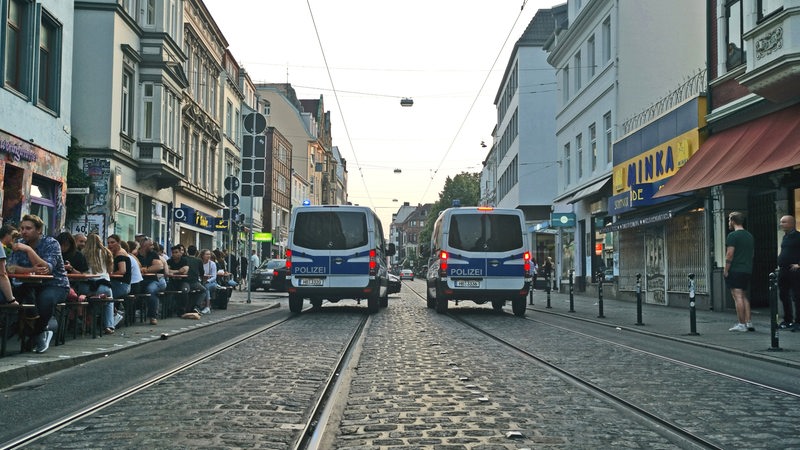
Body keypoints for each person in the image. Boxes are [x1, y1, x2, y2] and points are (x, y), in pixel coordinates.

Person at [7, 214, 70, 353]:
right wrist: (30, 269)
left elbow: (46, 269)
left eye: (28, 228)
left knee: (45, 300)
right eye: (22, 228)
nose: (24, 231)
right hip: (28, 284)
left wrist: (28, 250)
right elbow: (10, 267)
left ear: (39, 230)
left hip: (55, 284)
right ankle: (16, 333)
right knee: (10, 299)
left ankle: (39, 332)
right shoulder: (19, 243)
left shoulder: (51, 243)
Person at [724, 212, 755, 332]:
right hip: (747, 269)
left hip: (736, 269)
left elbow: (730, 254)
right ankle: (749, 322)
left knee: (737, 297)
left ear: (732, 221)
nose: (728, 223)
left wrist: (726, 269)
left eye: (729, 221)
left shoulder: (732, 236)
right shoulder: (749, 235)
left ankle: (741, 324)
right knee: (743, 296)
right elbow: (752, 254)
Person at [82, 234, 115, 333]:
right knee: (109, 301)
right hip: (103, 286)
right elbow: (110, 270)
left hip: (86, 287)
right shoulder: (106, 252)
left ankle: (86, 324)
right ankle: (109, 326)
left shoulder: (83, 252)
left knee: (86, 301)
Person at [778, 215, 800, 331]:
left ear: (792, 223)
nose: (781, 224)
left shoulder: (798, 236)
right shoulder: (785, 237)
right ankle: (787, 320)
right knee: (783, 295)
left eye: (784, 222)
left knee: (797, 296)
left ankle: (798, 322)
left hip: (795, 271)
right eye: (781, 222)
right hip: (783, 270)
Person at [138, 238, 166, 325]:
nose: (153, 247)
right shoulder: (136, 254)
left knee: (151, 290)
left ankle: (153, 316)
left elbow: (159, 266)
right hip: (139, 281)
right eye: (150, 245)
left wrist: (145, 269)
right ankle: (130, 315)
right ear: (144, 245)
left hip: (151, 280)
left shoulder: (153, 254)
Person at [199, 249, 217, 314]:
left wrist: (208, 281)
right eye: (207, 254)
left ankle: (207, 306)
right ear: (202, 255)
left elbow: (214, 277)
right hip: (201, 281)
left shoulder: (212, 264)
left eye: (209, 254)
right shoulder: (200, 263)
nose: (208, 256)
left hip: (212, 283)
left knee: (206, 287)